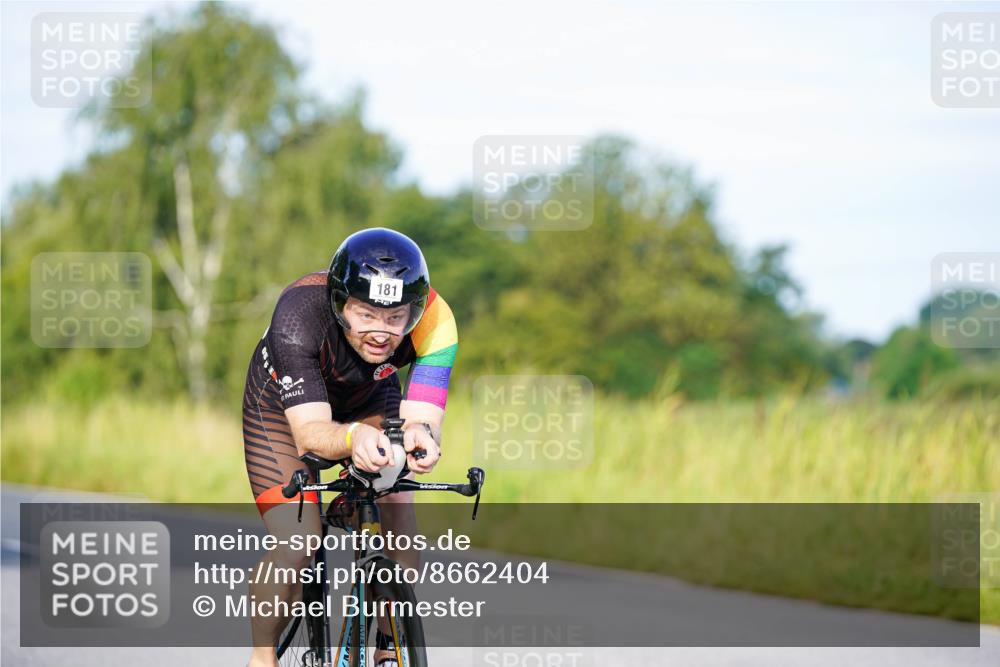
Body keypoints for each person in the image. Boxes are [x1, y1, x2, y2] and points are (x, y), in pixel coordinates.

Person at [241, 227, 457, 667]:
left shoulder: (437, 321)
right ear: (340, 303)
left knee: (399, 517)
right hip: (281, 407)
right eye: (366, 314)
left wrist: (422, 438)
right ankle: (262, 657)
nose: (380, 332)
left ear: (415, 310)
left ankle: (387, 647)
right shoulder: (299, 314)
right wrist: (352, 437)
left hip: (371, 396)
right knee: (299, 543)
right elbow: (310, 434)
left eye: (395, 318)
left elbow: (423, 418)